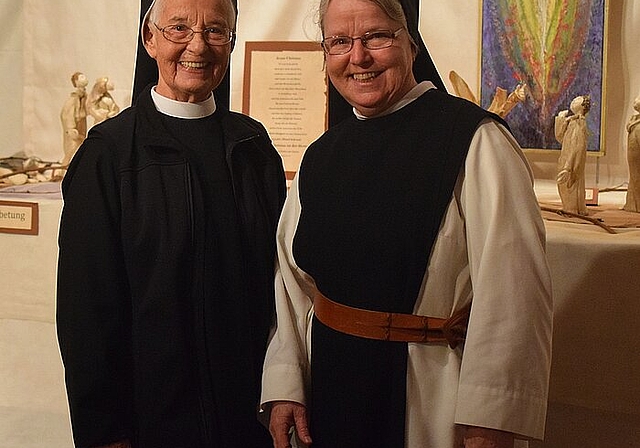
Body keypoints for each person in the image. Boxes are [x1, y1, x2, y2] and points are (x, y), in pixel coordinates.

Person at [260, 0, 553, 447]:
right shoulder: (320, 158)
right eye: (339, 42)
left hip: (430, 400)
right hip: (329, 396)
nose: (358, 57)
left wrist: (491, 420)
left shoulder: (475, 143)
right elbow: (293, 288)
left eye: (376, 36)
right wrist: (286, 385)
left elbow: (514, 296)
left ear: (410, 42)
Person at [56, 0, 286, 446]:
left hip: (247, 417)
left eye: (216, 31)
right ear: (149, 40)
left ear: (232, 42)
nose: (197, 46)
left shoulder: (253, 147)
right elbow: (86, 313)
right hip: (153, 420)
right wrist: (104, 433)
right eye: (179, 28)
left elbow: (278, 288)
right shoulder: (109, 156)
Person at [555, 95, 590, 215]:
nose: (572, 101)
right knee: (566, 186)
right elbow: (560, 138)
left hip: (570, 162)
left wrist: (568, 166)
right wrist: (561, 119)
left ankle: (572, 209)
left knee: (570, 184)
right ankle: (572, 208)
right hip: (566, 158)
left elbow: (577, 147)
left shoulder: (578, 125)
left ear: (581, 107)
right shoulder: (572, 121)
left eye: (576, 101)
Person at [60, 71, 88, 167]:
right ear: (76, 82)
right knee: (72, 146)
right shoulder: (73, 99)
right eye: (81, 77)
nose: (84, 78)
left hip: (82, 123)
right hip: (75, 124)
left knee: (82, 144)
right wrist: (70, 127)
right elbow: (67, 113)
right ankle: (64, 166)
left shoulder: (84, 96)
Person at [624, 93, 640, 212]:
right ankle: (632, 204)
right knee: (634, 176)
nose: (636, 101)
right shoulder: (634, 119)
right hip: (633, 152)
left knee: (637, 176)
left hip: (636, 151)